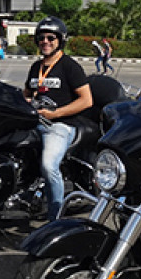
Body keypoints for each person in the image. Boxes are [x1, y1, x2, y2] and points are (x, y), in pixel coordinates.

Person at [22, 16, 92, 220]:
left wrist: (56, 114)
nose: (45, 41)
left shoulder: (69, 66)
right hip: (35, 122)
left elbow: (86, 100)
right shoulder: (36, 67)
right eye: (41, 38)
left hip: (60, 126)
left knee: (48, 165)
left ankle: (55, 217)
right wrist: (25, 102)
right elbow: (27, 93)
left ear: (60, 40)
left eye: (51, 38)